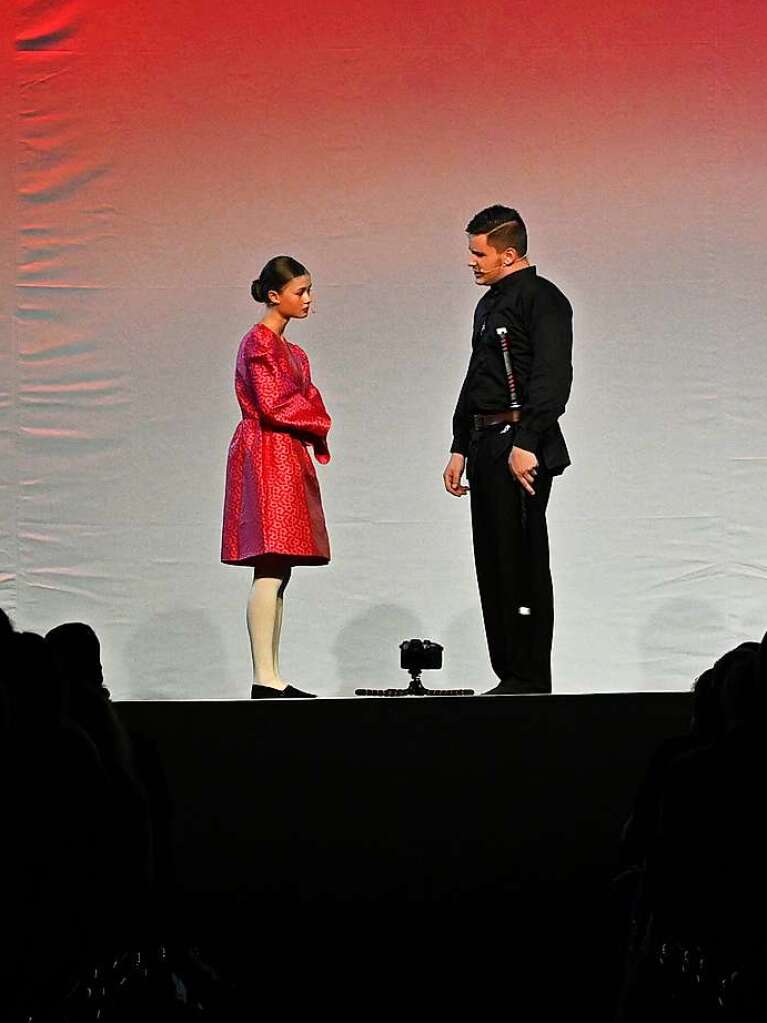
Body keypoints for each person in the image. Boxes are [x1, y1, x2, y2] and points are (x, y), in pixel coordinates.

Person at [443, 206, 573, 694]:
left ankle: (530, 676)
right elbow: (479, 376)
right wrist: (459, 445)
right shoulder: (488, 305)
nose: (472, 262)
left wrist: (526, 442)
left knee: (521, 561)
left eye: (480, 254)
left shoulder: (543, 299)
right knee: (492, 563)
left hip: (521, 448)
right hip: (485, 445)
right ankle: (508, 673)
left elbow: (553, 377)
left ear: (509, 253)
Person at [221, 256, 331, 699]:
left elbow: (309, 399)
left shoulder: (294, 352)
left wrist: (313, 417)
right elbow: (275, 404)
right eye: (299, 291)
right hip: (266, 452)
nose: (307, 299)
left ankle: (270, 675)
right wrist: (316, 421)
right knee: (270, 559)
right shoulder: (260, 343)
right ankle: (264, 677)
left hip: (284, 452)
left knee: (278, 566)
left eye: (308, 290)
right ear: (274, 295)